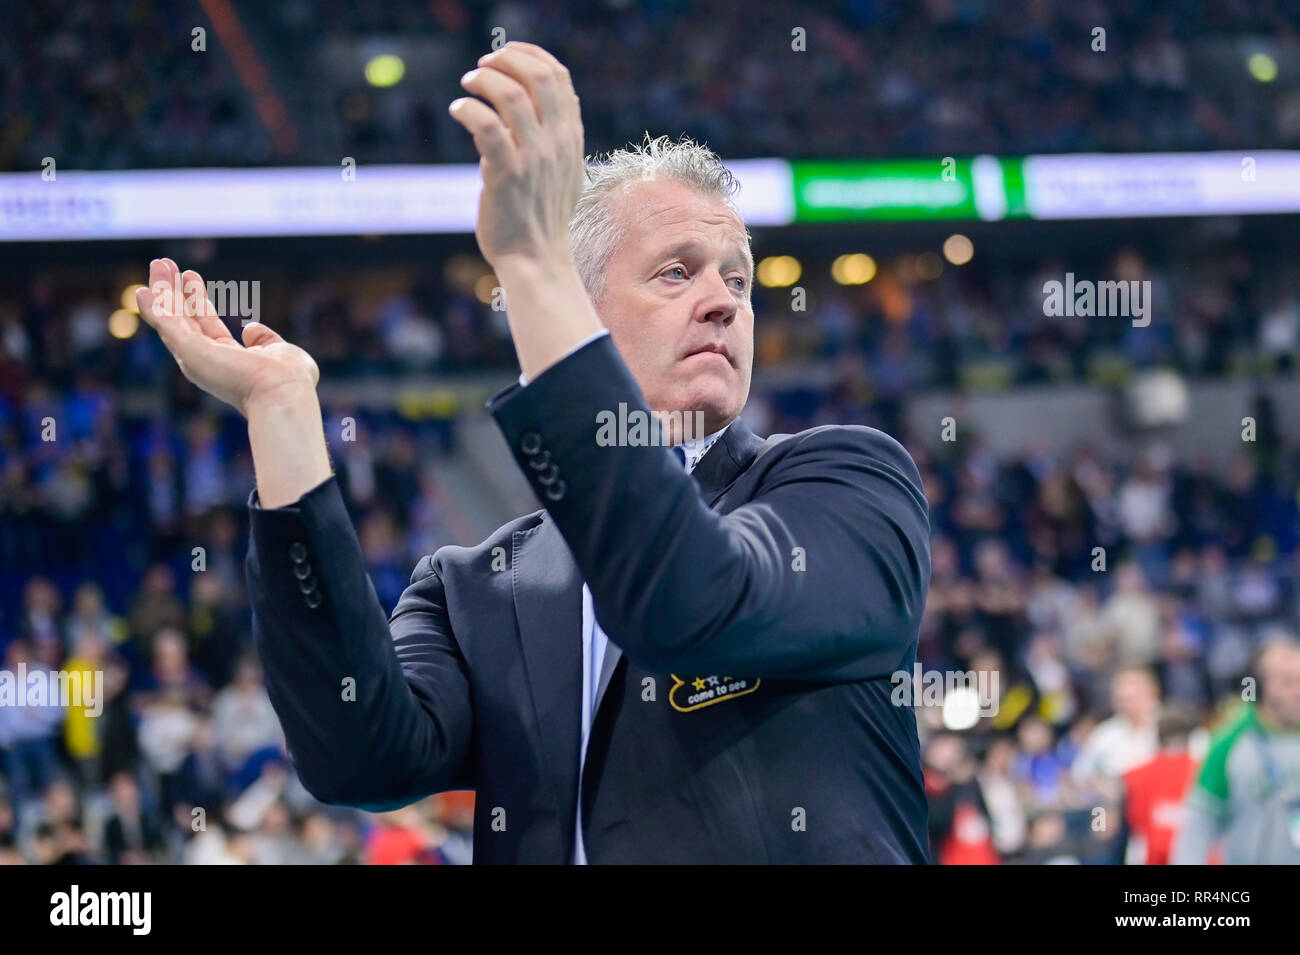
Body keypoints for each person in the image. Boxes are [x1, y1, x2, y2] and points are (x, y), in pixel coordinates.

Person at [135, 41, 932, 863]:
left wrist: (528, 260)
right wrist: (282, 415)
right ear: (577, 309)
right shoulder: (472, 586)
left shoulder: (849, 485)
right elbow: (357, 758)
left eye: (737, 280)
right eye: (675, 272)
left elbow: (689, 597)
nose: (723, 303)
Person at [1171, 635, 1300, 864]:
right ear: (1260, 689)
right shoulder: (1228, 743)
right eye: (1287, 682)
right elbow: (1198, 826)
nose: (1298, 691)